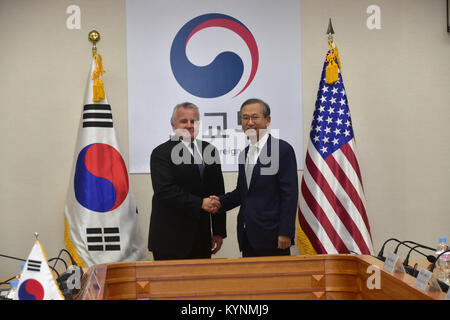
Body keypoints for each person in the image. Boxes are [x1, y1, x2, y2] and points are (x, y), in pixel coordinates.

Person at [211, 98, 298, 257]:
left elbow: (289, 195)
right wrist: (219, 202)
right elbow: (242, 192)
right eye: (245, 118)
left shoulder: (282, 150)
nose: (250, 122)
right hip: (247, 236)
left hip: (274, 236)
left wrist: (286, 232)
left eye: (255, 117)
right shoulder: (244, 154)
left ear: (268, 120)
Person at [148, 102, 226, 260]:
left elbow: (217, 191)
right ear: (173, 124)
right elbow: (165, 191)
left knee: (201, 285)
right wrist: (200, 203)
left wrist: (218, 230)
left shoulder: (209, 150)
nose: (189, 125)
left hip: (202, 237)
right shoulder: (160, 153)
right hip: (170, 240)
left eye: (194, 121)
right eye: (184, 121)